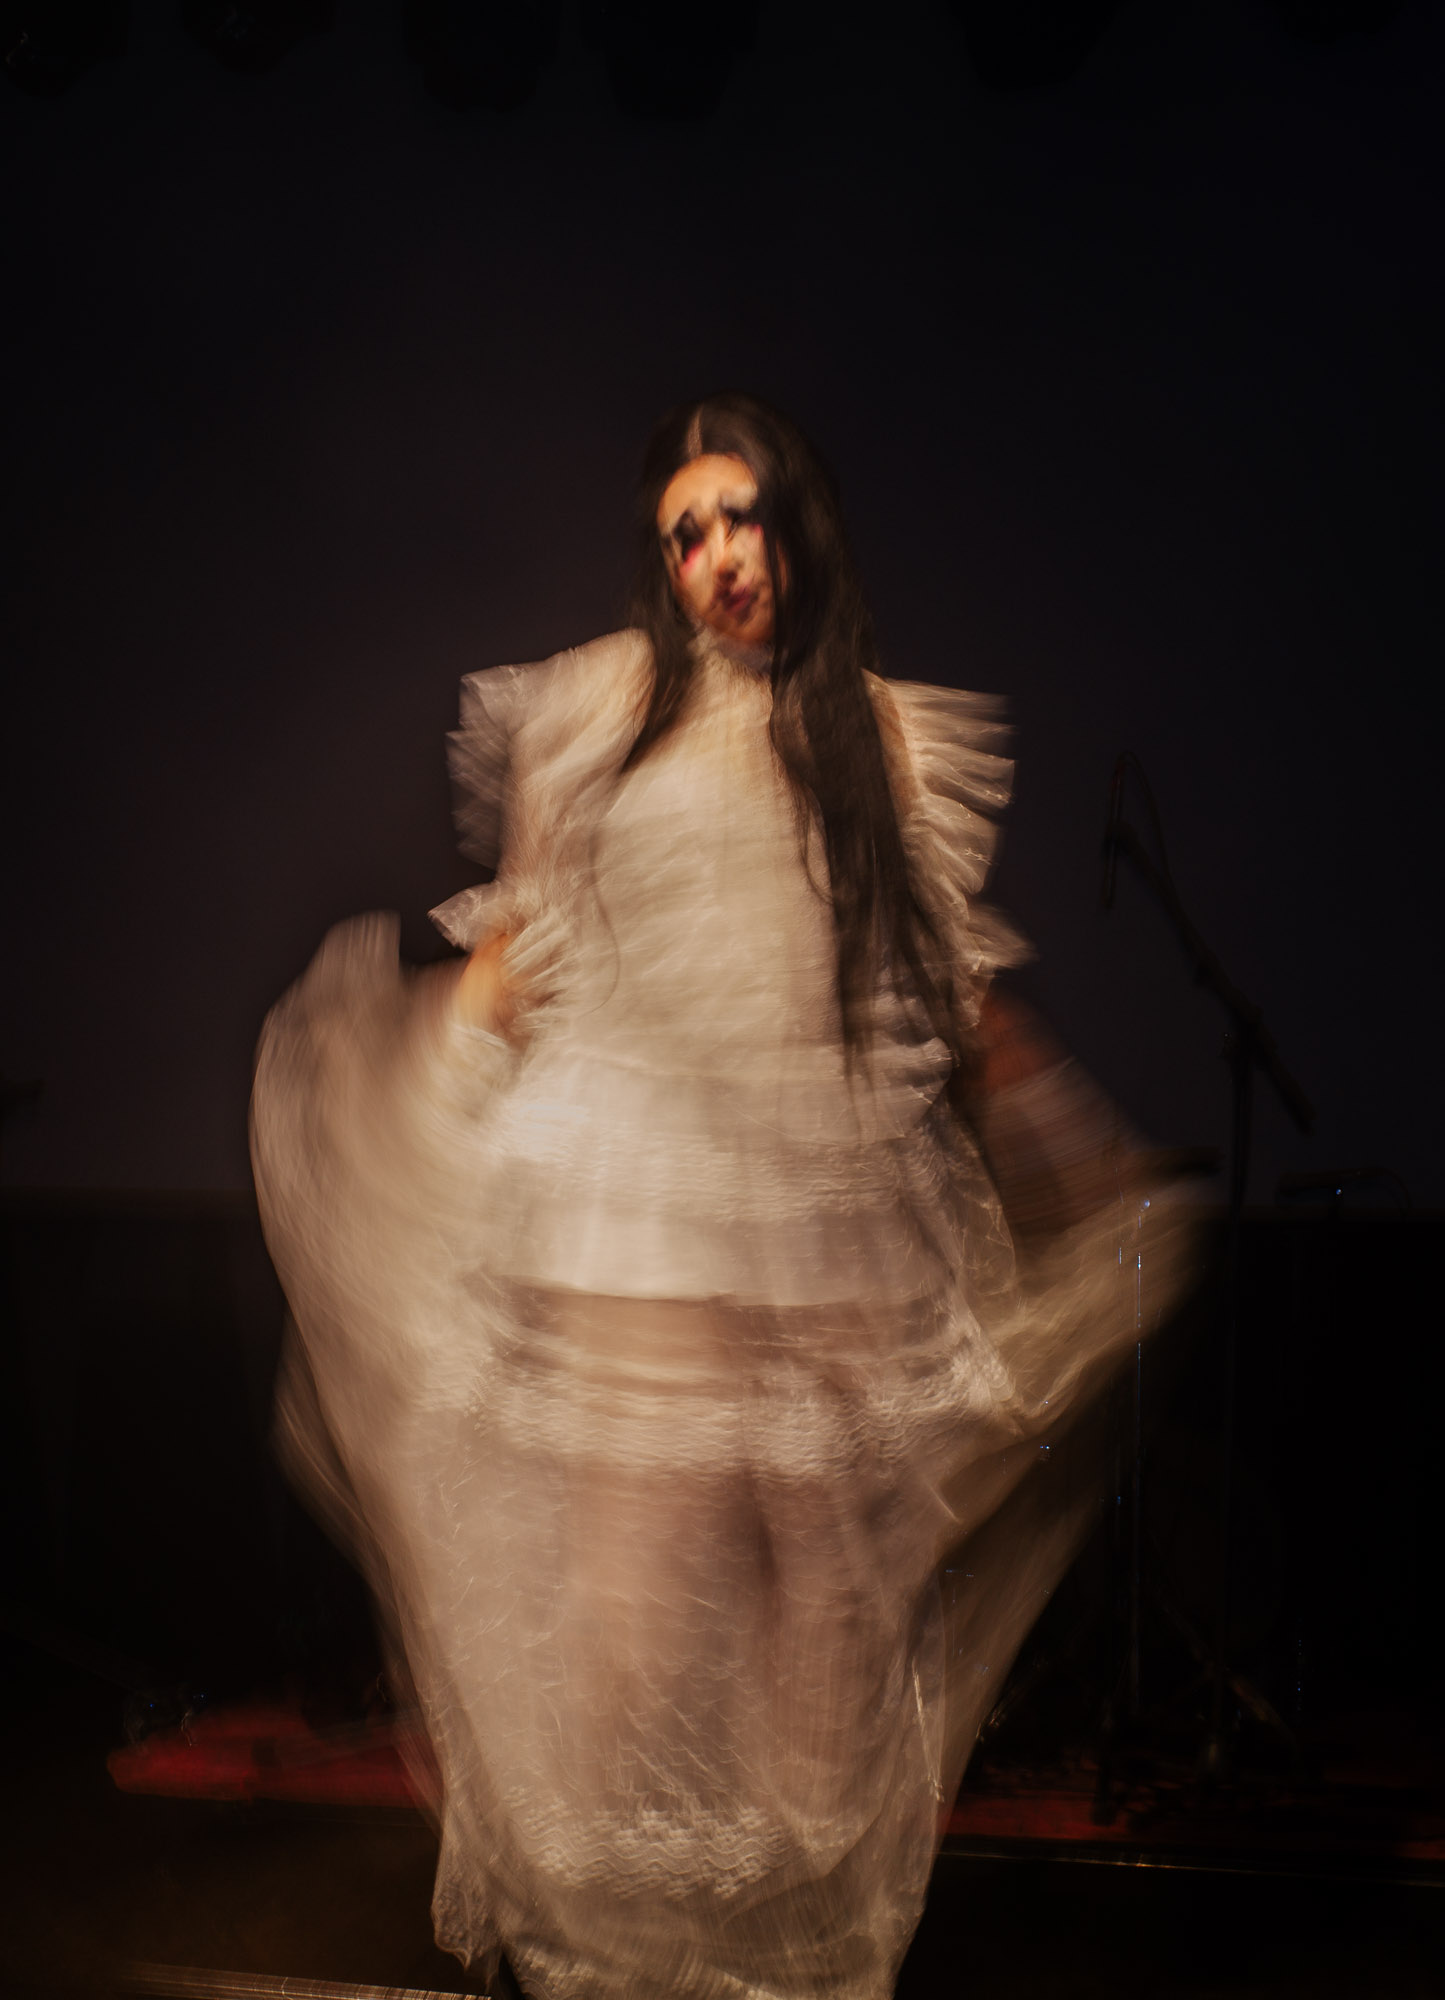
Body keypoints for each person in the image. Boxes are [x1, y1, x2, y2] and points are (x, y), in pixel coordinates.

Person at [251, 393, 1193, 2000]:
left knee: (827, 1647)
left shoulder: (876, 736)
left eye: (739, 515)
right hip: (639, 1225)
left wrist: (1084, 1162)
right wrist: (410, 1075)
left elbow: (955, 1005)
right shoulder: (603, 714)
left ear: (794, 525)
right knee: (624, 1640)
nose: (714, 554)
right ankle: (621, 1966)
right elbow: (524, 956)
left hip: (828, 1230)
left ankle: (785, 1969)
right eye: (684, 529)